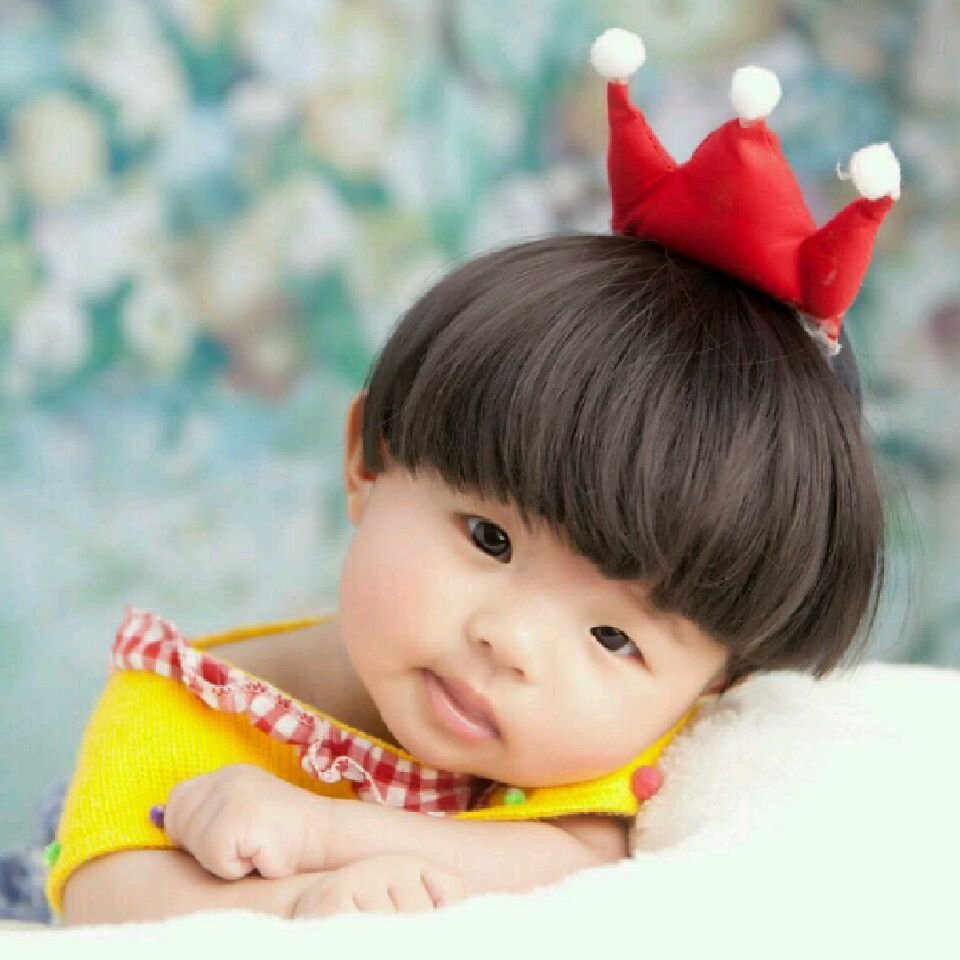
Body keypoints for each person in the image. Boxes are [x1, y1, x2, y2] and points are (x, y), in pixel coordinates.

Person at [47, 27, 897, 925]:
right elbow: (99, 897)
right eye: (490, 538)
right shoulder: (180, 701)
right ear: (369, 458)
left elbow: (577, 855)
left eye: (614, 637)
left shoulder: (628, 741)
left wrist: (329, 836)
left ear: (711, 687)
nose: (512, 642)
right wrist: (303, 907)